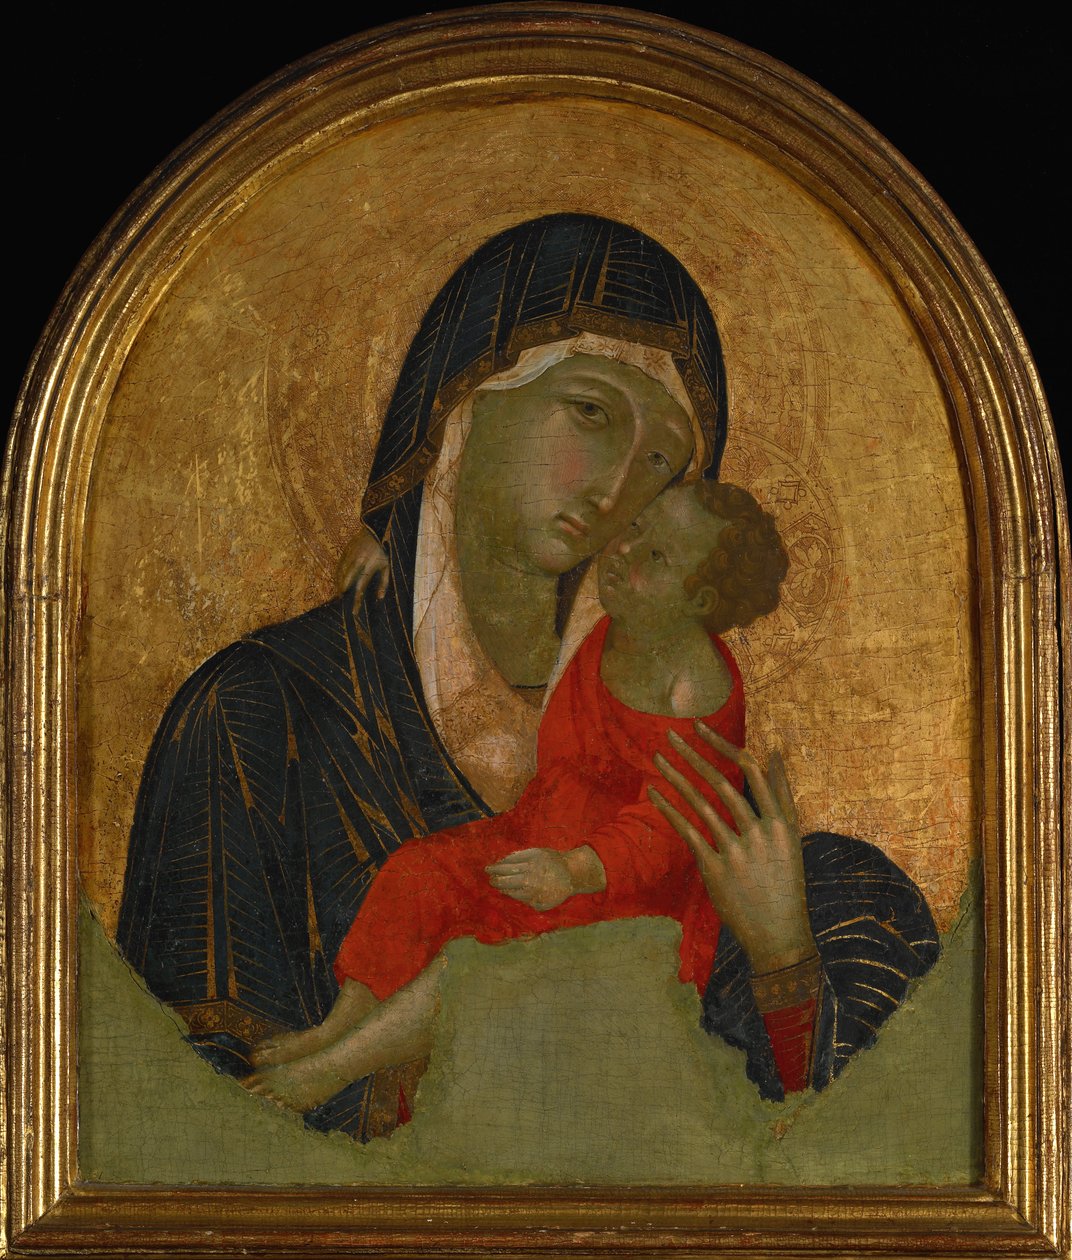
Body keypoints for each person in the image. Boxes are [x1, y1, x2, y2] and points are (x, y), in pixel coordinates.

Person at [117, 214, 938, 1140]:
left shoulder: (676, 720)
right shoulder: (257, 718)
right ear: (461, 400)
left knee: (850, 890)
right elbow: (188, 1114)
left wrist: (783, 952)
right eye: (591, 412)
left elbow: (802, 1130)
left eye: (661, 458)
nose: (618, 486)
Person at [241, 481, 808, 1113]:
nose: (624, 551)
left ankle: (333, 1070)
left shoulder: (692, 687)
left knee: (477, 958)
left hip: (625, 899)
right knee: (418, 873)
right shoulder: (613, 628)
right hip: (539, 836)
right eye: (635, 529)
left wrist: (575, 870)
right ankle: (336, 1028)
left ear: (698, 599)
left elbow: (668, 829)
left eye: (656, 556)